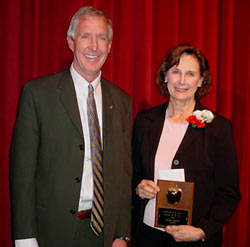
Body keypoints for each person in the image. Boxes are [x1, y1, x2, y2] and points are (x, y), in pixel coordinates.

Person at [11, 6, 132, 247]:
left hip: (103, 235)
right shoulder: (37, 94)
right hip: (51, 233)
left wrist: (121, 233)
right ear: (70, 42)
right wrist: (25, 238)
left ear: (110, 46)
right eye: (86, 36)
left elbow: (123, 172)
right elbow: (22, 172)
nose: (94, 46)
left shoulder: (121, 101)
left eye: (102, 38)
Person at [132, 44, 241, 247]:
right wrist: (138, 187)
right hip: (147, 236)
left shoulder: (218, 128)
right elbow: (132, 173)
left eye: (190, 74)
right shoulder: (145, 121)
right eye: (176, 72)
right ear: (165, 76)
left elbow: (229, 193)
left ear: (200, 80)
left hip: (193, 240)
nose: (182, 81)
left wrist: (202, 231)